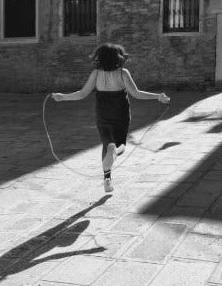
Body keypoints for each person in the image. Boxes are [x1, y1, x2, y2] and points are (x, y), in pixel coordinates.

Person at [51, 43, 170, 194]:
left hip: (103, 113)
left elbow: (82, 94)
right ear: (118, 58)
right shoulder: (123, 73)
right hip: (120, 113)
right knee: (120, 145)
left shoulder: (96, 74)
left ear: (99, 58)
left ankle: (107, 179)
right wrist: (158, 96)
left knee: (107, 143)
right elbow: (136, 93)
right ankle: (114, 152)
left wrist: (63, 97)